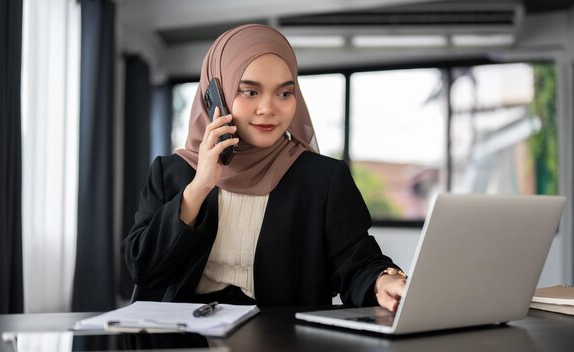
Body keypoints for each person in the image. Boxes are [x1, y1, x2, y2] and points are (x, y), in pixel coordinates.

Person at [122, 24, 407, 312]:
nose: (268, 108)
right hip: (184, 339)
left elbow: (356, 261)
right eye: (249, 92)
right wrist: (199, 188)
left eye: (284, 93)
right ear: (216, 93)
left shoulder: (323, 178)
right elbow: (143, 269)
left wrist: (382, 281)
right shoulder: (171, 172)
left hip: (282, 338)